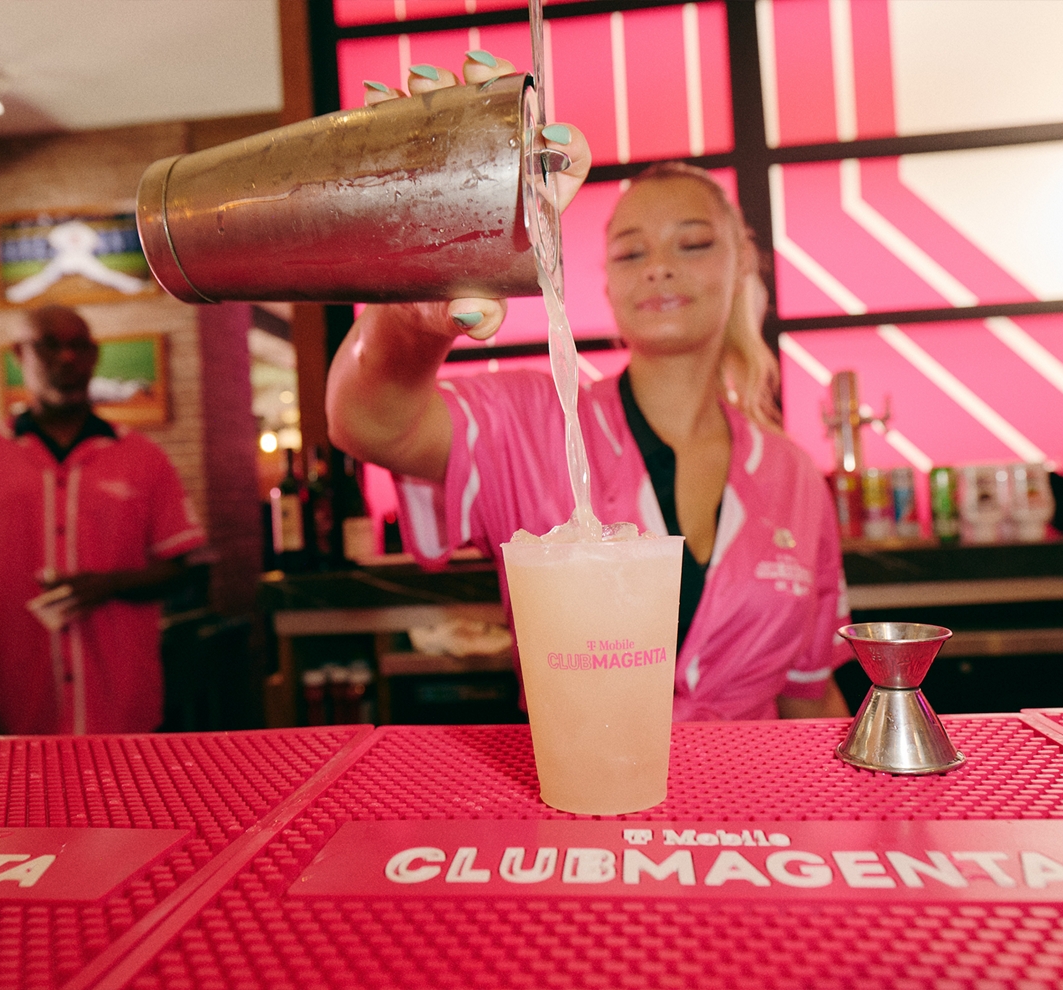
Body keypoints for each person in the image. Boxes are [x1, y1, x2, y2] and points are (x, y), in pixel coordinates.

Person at [327, 53, 850, 720]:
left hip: (754, 788)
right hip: (580, 780)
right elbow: (368, 423)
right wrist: (415, 303)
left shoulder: (794, 476)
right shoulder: (532, 422)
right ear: (606, 283)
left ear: (742, 263)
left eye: (692, 244)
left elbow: (811, 694)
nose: (659, 267)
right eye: (631, 252)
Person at [0, 305, 206, 734]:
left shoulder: (144, 459)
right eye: (48, 346)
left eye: (78, 347)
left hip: (123, 704)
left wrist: (108, 584)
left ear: (94, 356)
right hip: (14, 706)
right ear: (20, 354)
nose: (66, 359)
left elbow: (182, 569)